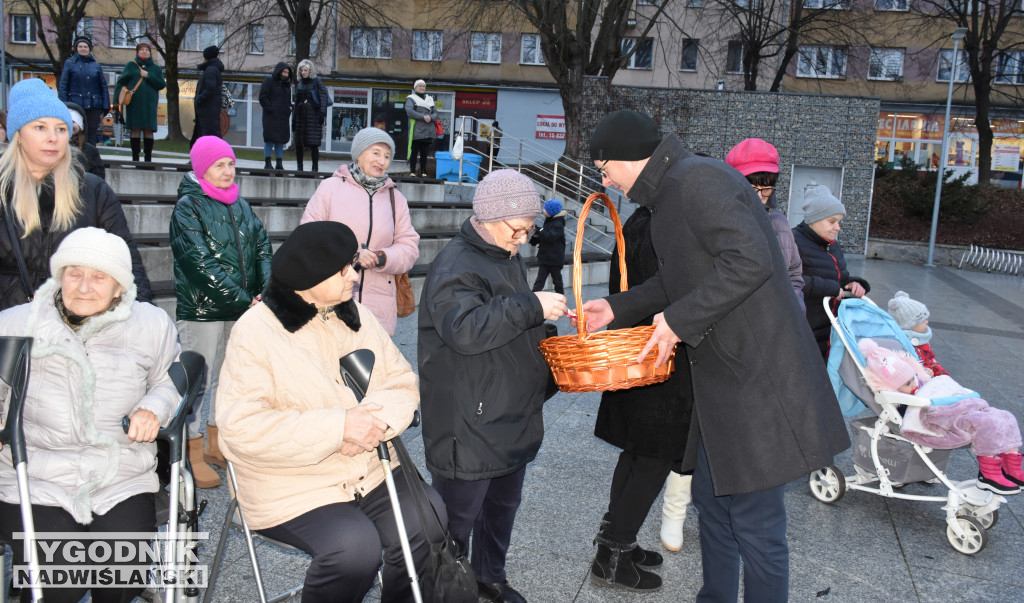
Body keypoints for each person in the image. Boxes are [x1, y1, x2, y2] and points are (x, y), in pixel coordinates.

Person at [579, 109, 849, 603]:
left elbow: (751, 260)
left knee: (756, 523)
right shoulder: (670, 193)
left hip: (757, 385)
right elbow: (675, 280)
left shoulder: (697, 181)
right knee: (711, 502)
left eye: (603, 165)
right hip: (721, 382)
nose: (604, 177)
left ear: (628, 157)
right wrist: (615, 307)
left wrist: (679, 321)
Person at [216, 221, 443, 602]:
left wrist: (372, 423)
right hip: (290, 483)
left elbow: (402, 383)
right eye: (344, 269)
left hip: (369, 468)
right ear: (309, 276)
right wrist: (337, 429)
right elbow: (240, 428)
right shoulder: (255, 332)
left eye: (353, 264)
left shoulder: (356, 315)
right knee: (353, 549)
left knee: (428, 520)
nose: (355, 276)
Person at [0, 227, 179, 603]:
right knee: (61, 584)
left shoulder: (150, 324)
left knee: (121, 580)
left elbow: (171, 380)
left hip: (120, 473)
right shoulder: (17, 323)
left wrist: (153, 407)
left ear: (120, 288)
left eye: (98, 277)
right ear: (58, 276)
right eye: (73, 273)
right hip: (35, 474)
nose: (83, 286)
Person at [418, 169, 568, 603]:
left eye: (529, 228)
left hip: (509, 411)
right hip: (468, 419)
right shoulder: (456, 264)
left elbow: (511, 325)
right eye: (517, 228)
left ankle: (489, 576)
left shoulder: (503, 252)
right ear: (488, 217)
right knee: (454, 521)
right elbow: (465, 330)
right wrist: (530, 306)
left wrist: (553, 341)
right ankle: (440, 589)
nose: (523, 238)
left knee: (502, 508)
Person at [591, 205, 694, 592]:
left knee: (637, 453)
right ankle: (614, 553)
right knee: (653, 455)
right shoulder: (671, 220)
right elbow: (672, 287)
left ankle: (616, 542)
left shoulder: (641, 216)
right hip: (660, 352)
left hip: (633, 345)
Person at [170, 136, 273, 489]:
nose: (227, 171)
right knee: (199, 379)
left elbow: (262, 247)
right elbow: (198, 261)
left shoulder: (240, 205)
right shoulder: (188, 206)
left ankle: (217, 443)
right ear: (202, 169)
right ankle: (190, 451)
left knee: (229, 379)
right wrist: (246, 299)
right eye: (219, 165)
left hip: (242, 306)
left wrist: (264, 290)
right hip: (204, 310)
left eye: (230, 164)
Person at [0, 78, 152, 312]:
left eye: (61, 129)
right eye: (40, 127)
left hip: (79, 331)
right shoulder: (4, 192)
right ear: (18, 135)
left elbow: (128, 263)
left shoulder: (93, 190)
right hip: (12, 332)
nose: (53, 137)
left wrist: (142, 319)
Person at [858, 338, 1024, 495]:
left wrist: (930, 382)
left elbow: (936, 388)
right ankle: (988, 474)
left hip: (956, 410)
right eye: (907, 384)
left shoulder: (917, 384)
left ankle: (1011, 467)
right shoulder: (901, 402)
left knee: (1005, 417)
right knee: (983, 423)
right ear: (891, 388)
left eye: (913, 378)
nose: (914, 384)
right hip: (937, 423)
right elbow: (921, 414)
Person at [301, 128, 419, 336]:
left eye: (387, 156)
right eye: (375, 153)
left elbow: (409, 246)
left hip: (379, 308)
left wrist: (382, 257)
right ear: (359, 153)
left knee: (373, 366)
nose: (381, 161)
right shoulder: (330, 188)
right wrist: (352, 257)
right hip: (333, 299)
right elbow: (307, 238)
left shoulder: (395, 199)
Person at [724, 138, 804, 311]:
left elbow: (794, 275)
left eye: (766, 189)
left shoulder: (779, 221)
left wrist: (794, 309)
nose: (759, 197)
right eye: (752, 189)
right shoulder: (719, 221)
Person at [791, 184, 870, 360]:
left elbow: (841, 278)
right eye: (832, 221)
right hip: (805, 332)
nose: (838, 228)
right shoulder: (793, 241)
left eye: (839, 222)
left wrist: (855, 284)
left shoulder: (832, 246)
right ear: (813, 220)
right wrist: (831, 289)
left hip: (832, 331)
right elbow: (790, 280)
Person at [114, 42, 165, 162]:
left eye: (147, 49)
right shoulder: (131, 66)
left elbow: (161, 84)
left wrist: (149, 76)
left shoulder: (156, 68)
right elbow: (121, 82)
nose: (144, 51)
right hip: (134, 103)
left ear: (150, 53)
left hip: (150, 104)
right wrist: (116, 99)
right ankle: (135, 158)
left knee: (149, 129)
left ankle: (148, 158)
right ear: (137, 52)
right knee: (135, 129)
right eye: (142, 49)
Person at [57, 36, 110, 145]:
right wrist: (64, 104)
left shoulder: (96, 66)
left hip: (94, 105)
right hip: (75, 104)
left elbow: (103, 86)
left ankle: (91, 158)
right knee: (76, 132)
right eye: (80, 46)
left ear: (89, 49)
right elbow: (63, 85)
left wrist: (105, 105)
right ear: (76, 48)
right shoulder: (69, 64)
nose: (83, 48)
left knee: (91, 132)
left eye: (85, 46)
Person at [887, 290, 947, 377]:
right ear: (908, 326)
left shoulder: (922, 338)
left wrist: (943, 376)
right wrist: (922, 372)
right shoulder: (901, 345)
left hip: (932, 378)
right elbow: (902, 368)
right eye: (922, 321)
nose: (927, 322)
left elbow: (931, 360)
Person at [293, 59, 330, 173]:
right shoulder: (300, 84)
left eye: (305, 70)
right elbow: (296, 100)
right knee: (299, 143)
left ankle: (315, 167)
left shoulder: (316, 81)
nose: (303, 72)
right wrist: (294, 119)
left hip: (313, 116)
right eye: (302, 70)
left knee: (313, 143)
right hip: (301, 116)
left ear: (310, 71)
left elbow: (323, 97)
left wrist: (322, 113)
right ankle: (300, 167)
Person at [259, 62, 292, 171]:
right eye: (284, 71)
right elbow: (263, 96)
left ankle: (279, 163)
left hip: (282, 116)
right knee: (269, 139)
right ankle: (267, 162)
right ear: (279, 71)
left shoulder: (287, 85)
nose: (286, 74)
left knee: (280, 140)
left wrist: (289, 108)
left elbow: (287, 100)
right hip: (271, 116)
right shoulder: (269, 81)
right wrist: (270, 108)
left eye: (287, 72)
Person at [529, 199, 566, 294]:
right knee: (540, 280)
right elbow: (545, 236)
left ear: (551, 211)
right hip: (545, 258)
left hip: (554, 259)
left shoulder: (558, 224)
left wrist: (539, 230)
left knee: (557, 281)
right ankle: (534, 297)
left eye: (545, 209)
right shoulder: (549, 221)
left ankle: (561, 297)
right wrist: (535, 239)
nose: (543, 210)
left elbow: (551, 236)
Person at [404, 79, 438, 178]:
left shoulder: (430, 99)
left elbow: (436, 112)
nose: (422, 88)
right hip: (417, 130)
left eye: (423, 86)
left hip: (428, 130)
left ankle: (423, 171)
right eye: (420, 86)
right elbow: (409, 111)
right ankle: (412, 171)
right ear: (415, 88)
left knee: (424, 152)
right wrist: (423, 116)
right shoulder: (411, 98)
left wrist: (431, 117)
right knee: (414, 151)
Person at [64, 102, 105, 179]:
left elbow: (98, 177)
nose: (69, 125)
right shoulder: (52, 148)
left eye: (73, 122)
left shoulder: (90, 150)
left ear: (81, 125)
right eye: (66, 122)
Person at [193, 45, 223, 143]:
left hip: (207, 108)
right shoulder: (214, 69)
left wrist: (200, 98)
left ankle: (209, 156)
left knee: (208, 134)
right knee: (208, 133)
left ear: (206, 57)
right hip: (210, 108)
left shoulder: (210, 70)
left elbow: (210, 88)